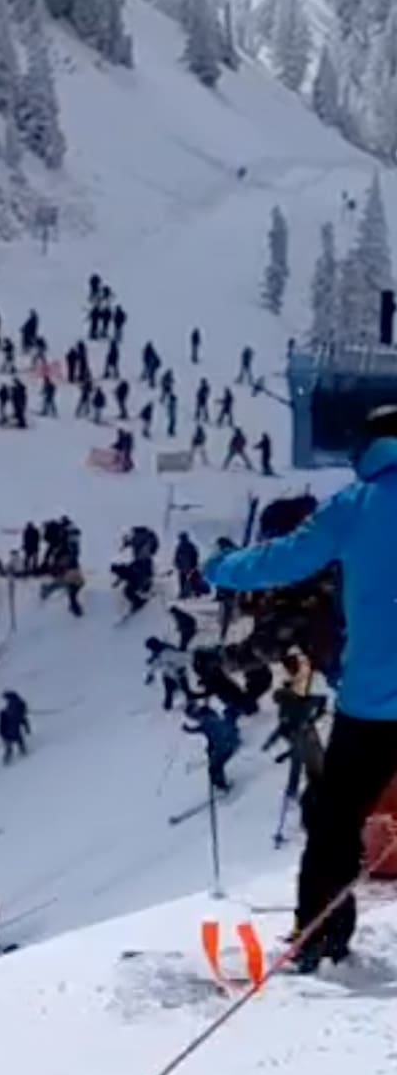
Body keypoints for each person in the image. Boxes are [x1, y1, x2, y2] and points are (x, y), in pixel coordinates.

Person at [203, 407, 397, 971]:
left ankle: (320, 937)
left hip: (375, 702)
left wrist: (219, 568)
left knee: (333, 817)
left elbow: (281, 559)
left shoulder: (355, 507)